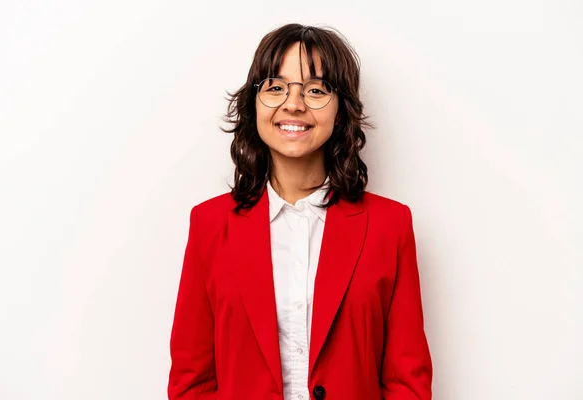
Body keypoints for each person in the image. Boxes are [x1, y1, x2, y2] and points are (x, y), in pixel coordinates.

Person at [167, 23, 433, 400]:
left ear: (341, 110)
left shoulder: (390, 226)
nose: (294, 103)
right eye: (275, 87)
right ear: (253, 103)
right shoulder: (209, 225)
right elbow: (191, 384)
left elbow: (408, 383)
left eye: (316, 89)